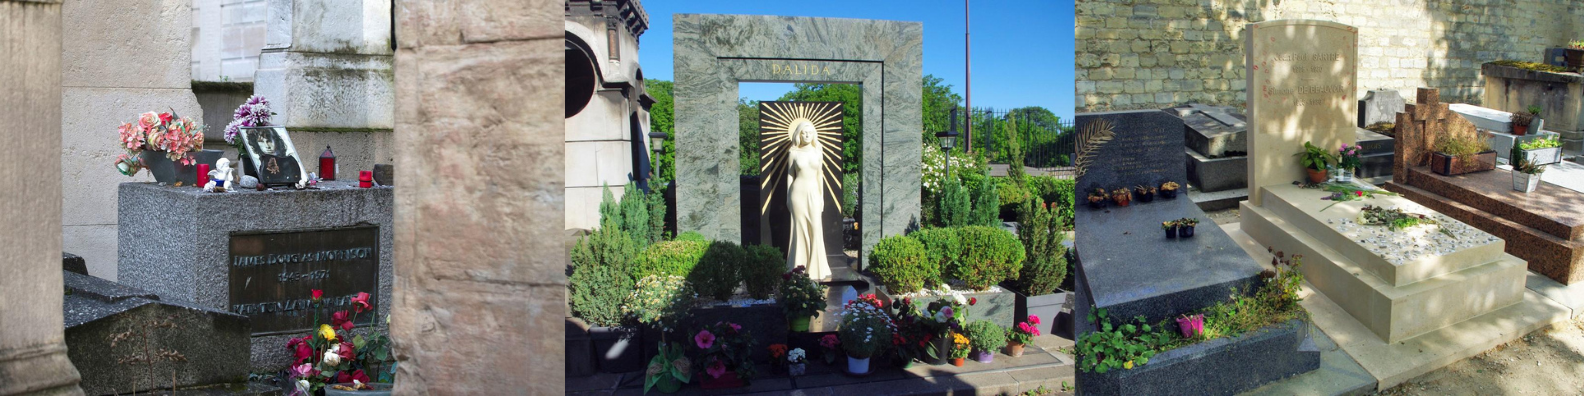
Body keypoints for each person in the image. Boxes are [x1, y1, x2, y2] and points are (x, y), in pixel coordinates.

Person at [785, 120, 830, 281]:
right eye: (804, 132)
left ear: (813, 134)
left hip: (814, 193)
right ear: (798, 134)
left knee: (816, 228)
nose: (806, 135)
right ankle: (797, 267)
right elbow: (790, 176)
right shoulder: (793, 153)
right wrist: (788, 198)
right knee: (799, 229)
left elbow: (820, 176)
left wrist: (822, 197)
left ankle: (817, 268)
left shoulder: (818, 152)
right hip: (797, 193)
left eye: (809, 132)